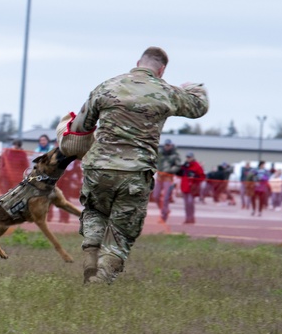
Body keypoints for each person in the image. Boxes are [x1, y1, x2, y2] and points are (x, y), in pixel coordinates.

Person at [75, 46, 208, 284]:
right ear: (162, 70)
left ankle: (90, 261)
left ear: (138, 62)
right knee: (121, 232)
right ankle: (100, 279)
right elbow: (198, 108)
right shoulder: (166, 91)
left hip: (98, 168)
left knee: (95, 212)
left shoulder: (106, 86)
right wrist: (194, 87)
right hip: (134, 173)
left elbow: (80, 126)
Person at [153, 139, 182, 221]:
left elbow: (178, 166)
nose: (167, 147)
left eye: (169, 145)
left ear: (171, 146)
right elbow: (154, 161)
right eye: (166, 145)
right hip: (159, 177)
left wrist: (170, 170)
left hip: (168, 178)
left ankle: (164, 215)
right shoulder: (160, 153)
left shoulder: (175, 155)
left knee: (165, 197)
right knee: (155, 196)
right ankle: (164, 210)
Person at [178, 152, 205, 224]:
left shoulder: (197, 166)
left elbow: (202, 177)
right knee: (186, 204)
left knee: (190, 203)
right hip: (184, 186)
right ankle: (187, 218)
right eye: (187, 157)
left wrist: (195, 177)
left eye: (189, 157)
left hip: (192, 187)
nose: (188, 159)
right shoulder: (184, 165)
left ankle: (191, 218)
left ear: (193, 157)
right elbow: (179, 174)